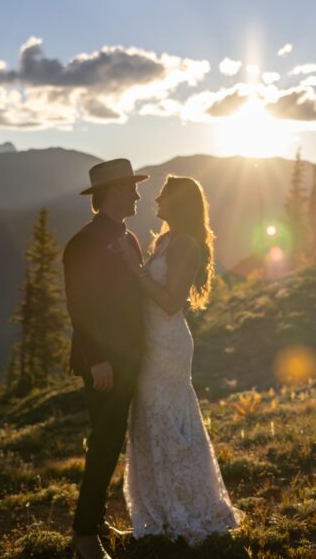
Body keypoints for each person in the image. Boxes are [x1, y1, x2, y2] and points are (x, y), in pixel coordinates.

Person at [119, 175, 243, 544]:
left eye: (163, 195)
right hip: (150, 342)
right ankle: (160, 506)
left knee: (169, 421)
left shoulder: (186, 244)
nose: (155, 199)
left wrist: (135, 269)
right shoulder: (166, 240)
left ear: (180, 203)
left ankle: (187, 507)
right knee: (150, 421)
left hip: (168, 347)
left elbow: (172, 302)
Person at [64, 158, 149, 559]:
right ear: (113, 193)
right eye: (131, 188)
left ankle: (94, 521)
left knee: (111, 440)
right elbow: (81, 307)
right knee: (104, 442)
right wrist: (97, 359)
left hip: (129, 357)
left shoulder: (127, 238)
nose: (136, 194)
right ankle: (84, 534)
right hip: (105, 363)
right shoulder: (84, 242)